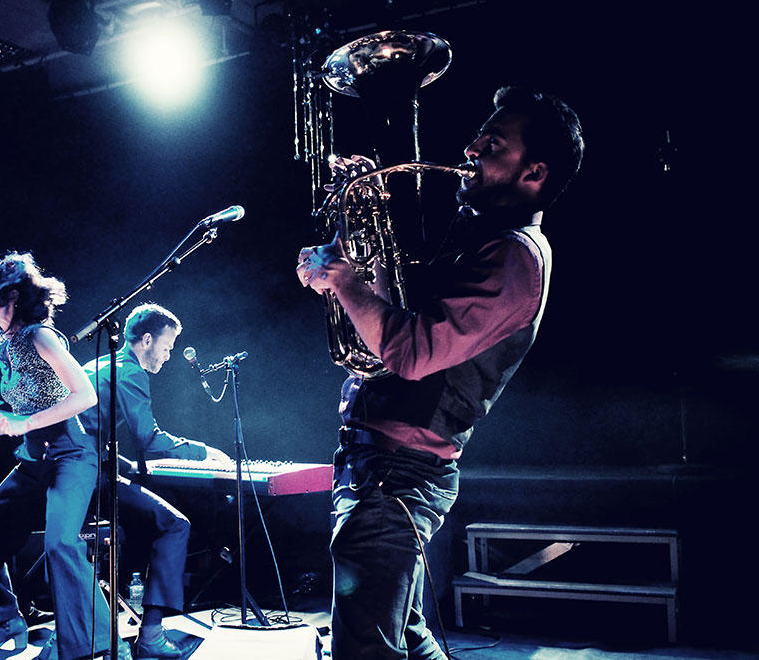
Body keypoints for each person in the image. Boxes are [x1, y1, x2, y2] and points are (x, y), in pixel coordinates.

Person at [296, 87, 584, 659]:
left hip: (398, 471)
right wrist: (354, 246)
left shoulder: (515, 257)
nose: (472, 148)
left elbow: (410, 353)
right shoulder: (481, 238)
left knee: (366, 646)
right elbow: (395, 318)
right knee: (403, 634)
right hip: (381, 462)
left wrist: (344, 282)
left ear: (534, 172)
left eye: (493, 143)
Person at [0, 251, 131, 660]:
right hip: (33, 462)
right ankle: (5, 615)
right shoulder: (5, 346)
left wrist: (26, 423)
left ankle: (102, 647)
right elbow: (20, 417)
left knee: (61, 544)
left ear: (11, 295)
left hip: (71, 456)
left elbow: (84, 396)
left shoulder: (39, 336)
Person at [79, 303, 233, 659]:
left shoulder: (97, 365)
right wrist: (203, 452)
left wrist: (128, 467)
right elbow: (149, 439)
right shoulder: (130, 372)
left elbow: (90, 433)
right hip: (85, 475)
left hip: (79, 467)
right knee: (175, 524)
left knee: (147, 513)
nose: (168, 356)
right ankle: (150, 635)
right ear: (146, 340)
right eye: (166, 347)